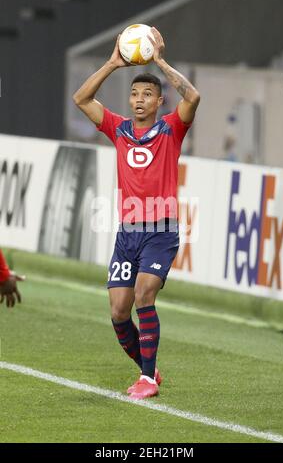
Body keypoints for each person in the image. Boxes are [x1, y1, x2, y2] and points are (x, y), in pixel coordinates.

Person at [73, 27, 200, 399]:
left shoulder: (171, 130)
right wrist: (113, 63)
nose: (139, 99)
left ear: (160, 101)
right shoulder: (119, 129)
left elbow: (193, 96)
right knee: (118, 312)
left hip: (161, 231)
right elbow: (81, 98)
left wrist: (159, 61)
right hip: (127, 233)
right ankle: (149, 369)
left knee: (145, 294)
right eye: (134, 93)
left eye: (147, 94)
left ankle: (146, 380)